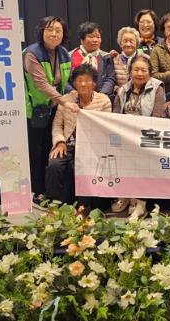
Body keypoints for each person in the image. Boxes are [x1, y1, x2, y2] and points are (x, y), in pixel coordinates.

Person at [46, 65, 111, 205]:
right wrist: (60, 142)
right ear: (74, 83)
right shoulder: (66, 100)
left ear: (94, 83)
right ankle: (55, 205)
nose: (83, 84)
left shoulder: (104, 101)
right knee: (54, 165)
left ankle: (84, 207)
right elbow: (57, 125)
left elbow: (105, 128)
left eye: (87, 80)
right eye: (79, 80)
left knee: (85, 167)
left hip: (92, 147)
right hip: (68, 144)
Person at [23, 16, 73, 199]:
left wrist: (75, 93)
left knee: (48, 149)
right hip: (34, 111)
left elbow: (64, 82)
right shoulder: (31, 53)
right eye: (49, 29)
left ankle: (48, 191)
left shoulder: (64, 53)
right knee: (35, 153)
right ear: (41, 31)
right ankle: (36, 191)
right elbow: (41, 84)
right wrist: (65, 101)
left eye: (58, 30)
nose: (54, 34)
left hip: (53, 109)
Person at [112, 55, 166, 219]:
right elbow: (115, 117)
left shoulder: (157, 88)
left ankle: (140, 204)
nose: (140, 73)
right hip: (125, 136)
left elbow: (157, 117)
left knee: (142, 158)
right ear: (130, 72)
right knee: (115, 152)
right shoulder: (122, 90)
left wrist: (139, 136)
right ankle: (126, 194)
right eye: (136, 69)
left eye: (144, 70)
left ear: (149, 72)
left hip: (147, 137)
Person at [69, 21, 116, 99]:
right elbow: (65, 79)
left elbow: (110, 78)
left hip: (100, 98)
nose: (95, 40)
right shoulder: (69, 56)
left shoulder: (106, 57)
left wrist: (101, 95)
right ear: (82, 39)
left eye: (98, 37)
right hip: (74, 98)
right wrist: (73, 93)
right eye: (91, 37)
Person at [112, 26, 145, 91]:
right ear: (120, 43)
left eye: (131, 41)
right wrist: (117, 90)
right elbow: (111, 81)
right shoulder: (113, 60)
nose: (128, 44)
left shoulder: (145, 59)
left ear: (137, 43)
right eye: (125, 41)